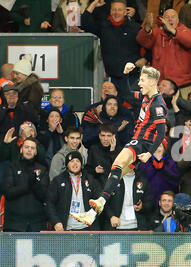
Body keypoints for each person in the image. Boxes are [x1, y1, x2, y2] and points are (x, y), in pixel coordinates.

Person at [71, 64, 167, 226]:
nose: (139, 83)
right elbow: (126, 94)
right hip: (137, 142)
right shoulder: (146, 97)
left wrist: (149, 153)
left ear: (152, 82)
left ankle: (98, 204)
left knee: (115, 165)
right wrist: (124, 75)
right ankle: (93, 212)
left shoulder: (157, 104)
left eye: (142, 80)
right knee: (114, 176)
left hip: (141, 144)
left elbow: (162, 132)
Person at [81, 0, 145, 98]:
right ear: (110, 11)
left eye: (120, 10)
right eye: (114, 9)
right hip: (113, 78)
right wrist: (93, 4)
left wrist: (145, 59)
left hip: (132, 78)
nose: (116, 12)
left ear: (125, 12)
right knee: (113, 107)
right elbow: (84, 23)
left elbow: (148, 44)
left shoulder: (135, 27)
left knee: (135, 106)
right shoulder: (104, 26)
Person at [136, 9, 191, 98]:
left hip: (182, 84)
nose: (170, 19)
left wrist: (173, 31)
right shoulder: (157, 32)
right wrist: (147, 28)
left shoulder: (184, 30)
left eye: (173, 17)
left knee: (185, 111)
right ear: (162, 20)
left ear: (178, 20)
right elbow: (142, 41)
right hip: (161, 85)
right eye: (167, 17)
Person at [46, 150, 102, 231]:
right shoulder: (58, 181)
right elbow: (49, 203)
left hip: (87, 228)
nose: (75, 163)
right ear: (67, 164)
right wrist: (56, 222)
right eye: (72, 161)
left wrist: (93, 216)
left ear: (81, 164)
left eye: (77, 161)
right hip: (66, 228)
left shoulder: (90, 179)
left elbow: (100, 200)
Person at [3, 137, 49, 232]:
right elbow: (8, 192)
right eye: (26, 147)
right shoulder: (11, 167)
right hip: (14, 224)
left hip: (37, 224)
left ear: (36, 152)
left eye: (32, 148)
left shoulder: (42, 170)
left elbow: (44, 196)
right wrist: (28, 184)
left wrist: (34, 184)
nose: (29, 150)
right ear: (21, 149)